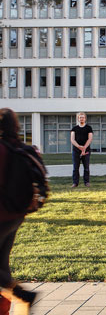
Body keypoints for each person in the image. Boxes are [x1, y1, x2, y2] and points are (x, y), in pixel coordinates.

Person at [0, 109, 37, 314]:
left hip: (2, 214)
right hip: (16, 215)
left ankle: (24, 295)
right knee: (2, 266)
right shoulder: (19, 147)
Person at [70, 112, 93, 187]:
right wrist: (79, 147)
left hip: (86, 150)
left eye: (83, 117)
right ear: (78, 119)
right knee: (75, 168)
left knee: (86, 167)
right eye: (80, 117)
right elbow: (72, 140)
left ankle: (87, 182)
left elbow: (90, 139)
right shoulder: (74, 128)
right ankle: (75, 183)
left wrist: (84, 148)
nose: (81, 119)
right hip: (76, 151)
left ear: (85, 118)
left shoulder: (89, 128)